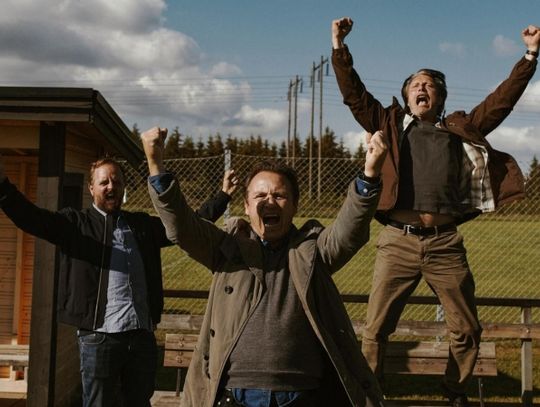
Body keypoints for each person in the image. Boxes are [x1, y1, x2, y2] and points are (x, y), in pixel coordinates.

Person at [331, 17, 540, 406]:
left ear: (440, 97)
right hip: (397, 243)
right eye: (415, 84)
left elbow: (502, 100)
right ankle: (369, 396)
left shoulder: (459, 127)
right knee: (375, 329)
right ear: (407, 96)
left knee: (467, 329)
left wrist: (529, 56)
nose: (422, 88)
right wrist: (339, 47)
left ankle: (453, 391)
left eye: (430, 84)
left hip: (446, 245)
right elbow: (354, 95)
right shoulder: (390, 123)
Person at [141, 126, 388, 407]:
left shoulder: (313, 251)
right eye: (260, 196)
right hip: (236, 396)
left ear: (294, 206)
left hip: (303, 396)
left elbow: (349, 230)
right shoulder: (226, 249)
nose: (269, 201)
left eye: (279, 195)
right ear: (246, 206)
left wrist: (370, 174)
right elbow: (182, 226)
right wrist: (156, 166)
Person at [0, 154, 238, 407]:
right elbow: (31, 218)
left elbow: (185, 225)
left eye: (116, 181)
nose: (111, 186)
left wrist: (222, 197)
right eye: (103, 182)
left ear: (124, 187)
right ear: (92, 188)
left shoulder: (141, 225)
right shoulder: (75, 224)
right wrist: (3, 186)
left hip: (141, 337)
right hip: (99, 338)